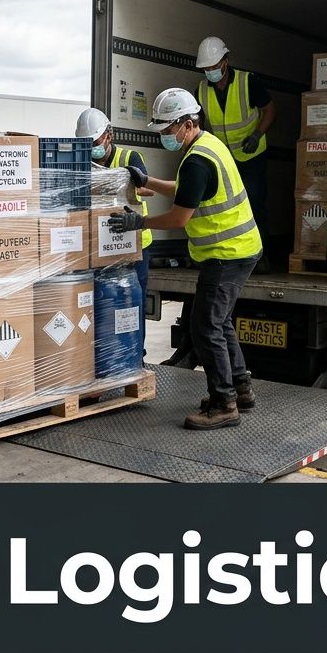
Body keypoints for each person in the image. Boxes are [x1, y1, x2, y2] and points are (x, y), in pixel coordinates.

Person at [108, 89, 262, 431]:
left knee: (205, 327)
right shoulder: (207, 145)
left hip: (228, 254)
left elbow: (180, 218)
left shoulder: (197, 159)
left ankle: (224, 404)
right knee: (219, 323)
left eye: (167, 131)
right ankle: (241, 388)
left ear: (187, 124)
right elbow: (186, 189)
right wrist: (147, 182)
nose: (165, 138)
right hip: (237, 250)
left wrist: (140, 222)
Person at [77, 107, 153, 350]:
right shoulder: (83, 161)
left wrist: (114, 181)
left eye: (95, 141)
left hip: (134, 244)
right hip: (102, 245)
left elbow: (145, 189)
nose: (92, 148)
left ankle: (135, 354)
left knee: (133, 303)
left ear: (108, 135)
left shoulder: (130, 158)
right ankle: (108, 352)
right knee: (104, 303)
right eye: (86, 143)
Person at [194, 36, 275, 237]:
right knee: (225, 204)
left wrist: (257, 135)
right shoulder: (201, 90)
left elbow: (270, 110)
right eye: (206, 68)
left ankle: (261, 253)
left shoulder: (247, 81)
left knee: (254, 201)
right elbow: (198, 124)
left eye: (213, 66)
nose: (209, 71)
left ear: (225, 61)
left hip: (251, 155)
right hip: (224, 160)